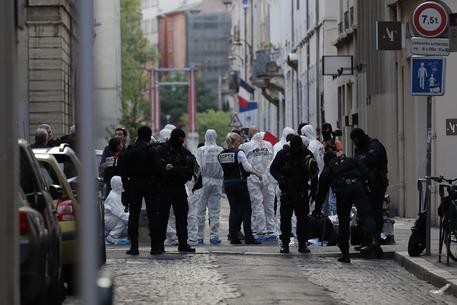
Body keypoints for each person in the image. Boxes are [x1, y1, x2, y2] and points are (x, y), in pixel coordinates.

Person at [314, 153, 381, 263]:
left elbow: (321, 192)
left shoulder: (328, 168)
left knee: (344, 222)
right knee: (367, 214)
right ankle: (374, 239)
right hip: (358, 186)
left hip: (342, 190)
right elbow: (367, 173)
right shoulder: (351, 160)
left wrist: (317, 209)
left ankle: (345, 254)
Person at [270, 135, 318, 254]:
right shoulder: (283, 154)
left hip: (301, 190)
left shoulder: (307, 154)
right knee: (285, 219)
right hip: (287, 190)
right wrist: (281, 179)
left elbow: (314, 173)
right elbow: (273, 169)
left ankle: (302, 244)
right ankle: (285, 244)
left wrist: (313, 190)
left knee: (302, 219)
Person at [120, 126, 163, 255]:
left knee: (133, 216)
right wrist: (157, 184)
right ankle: (155, 247)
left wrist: (126, 185)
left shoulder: (130, 150)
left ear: (138, 135)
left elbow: (123, 169)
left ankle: (134, 246)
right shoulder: (152, 150)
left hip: (134, 183)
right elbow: (159, 170)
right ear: (149, 136)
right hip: (150, 184)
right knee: (153, 215)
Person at [157, 128, 197, 253]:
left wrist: (175, 170)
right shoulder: (161, 150)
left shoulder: (184, 152)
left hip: (179, 187)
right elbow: (156, 166)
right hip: (165, 187)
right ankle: (159, 244)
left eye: (182, 139)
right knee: (162, 217)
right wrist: (166, 169)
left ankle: (183, 243)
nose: (181, 141)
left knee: (182, 217)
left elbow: (192, 168)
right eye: (179, 138)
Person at [218, 132, 262, 245]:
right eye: (239, 141)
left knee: (234, 210)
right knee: (247, 210)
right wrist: (257, 173)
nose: (240, 143)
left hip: (227, 183)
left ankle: (233, 237)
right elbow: (247, 168)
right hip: (239, 183)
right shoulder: (239, 153)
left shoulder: (221, 154)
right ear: (235, 141)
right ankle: (249, 237)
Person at [350, 128, 388, 245]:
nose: (355, 143)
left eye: (355, 140)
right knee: (364, 213)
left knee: (375, 212)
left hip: (376, 183)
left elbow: (371, 160)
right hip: (364, 184)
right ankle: (367, 240)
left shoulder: (374, 146)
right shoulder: (359, 148)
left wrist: (358, 162)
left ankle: (375, 239)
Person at [241, 129, 276, 241]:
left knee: (257, 204)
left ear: (250, 135)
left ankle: (261, 231)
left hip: (253, 177)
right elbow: (272, 160)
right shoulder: (269, 144)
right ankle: (271, 230)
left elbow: (242, 162)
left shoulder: (245, 146)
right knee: (269, 205)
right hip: (267, 177)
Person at [195, 130, 224, 244]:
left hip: (204, 180)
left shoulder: (201, 150)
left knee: (200, 209)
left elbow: (197, 166)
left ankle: (199, 236)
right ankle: (214, 236)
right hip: (217, 181)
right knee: (215, 210)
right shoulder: (220, 150)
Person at [104, 176, 130, 245]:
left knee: (126, 218)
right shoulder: (114, 197)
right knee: (123, 219)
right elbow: (121, 214)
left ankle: (110, 233)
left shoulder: (118, 194)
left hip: (110, 218)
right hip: (108, 220)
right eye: (121, 183)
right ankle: (112, 237)